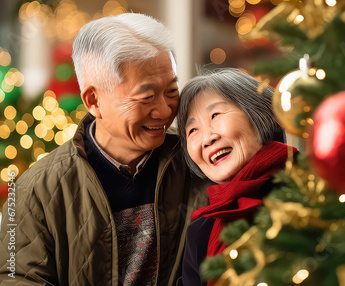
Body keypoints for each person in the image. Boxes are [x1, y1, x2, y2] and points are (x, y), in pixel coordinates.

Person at [0, 13, 207, 285]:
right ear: (94, 100)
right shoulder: (36, 189)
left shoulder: (197, 160)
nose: (166, 110)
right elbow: (17, 277)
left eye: (171, 91)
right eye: (146, 97)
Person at [176, 69, 297, 285]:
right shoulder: (199, 234)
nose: (207, 139)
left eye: (215, 115)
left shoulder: (307, 187)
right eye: (192, 130)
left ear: (258, 113)